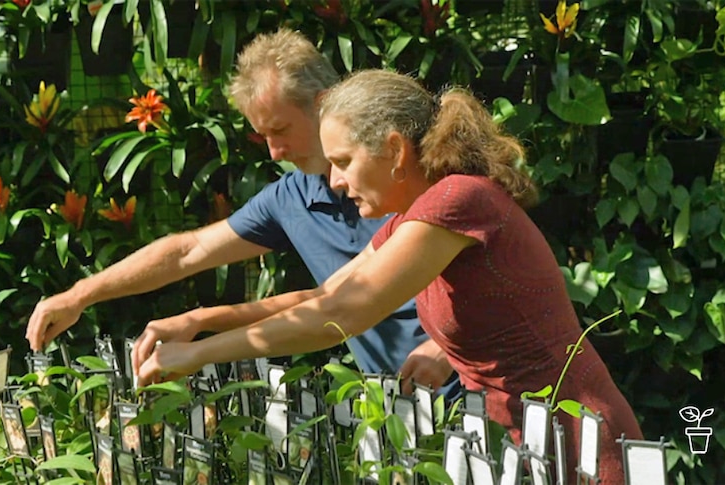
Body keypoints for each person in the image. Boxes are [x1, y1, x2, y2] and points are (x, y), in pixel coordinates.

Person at [135, 69, 643, 484]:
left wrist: (197, 355)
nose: (333, 180)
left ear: (396, 151)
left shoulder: (456, 200)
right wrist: (198, 321)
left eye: (343, 162)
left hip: (576, 442)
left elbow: (342, 316)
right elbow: (328, 294)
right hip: (522, 444)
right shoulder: (414, 216)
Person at [25, 29, 459, 399]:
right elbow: (193, 253)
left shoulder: (420, 184)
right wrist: (81, 294)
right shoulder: (291, 197)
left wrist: (448, 347)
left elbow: (502, 280)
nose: (274, 151)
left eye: (281, 130)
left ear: (324, 103)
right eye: (263, 135)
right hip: (394, 408)